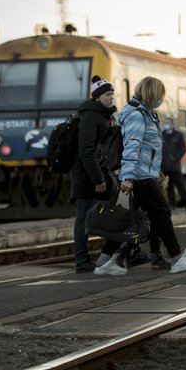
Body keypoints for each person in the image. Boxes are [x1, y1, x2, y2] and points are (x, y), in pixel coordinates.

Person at [95, 76, 186, 275]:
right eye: (159, 94)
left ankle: (103, 262)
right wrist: (127, 176)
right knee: (161, 212)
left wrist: (157, 171)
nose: (161, 98)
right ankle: (177, 257)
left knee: (126, 218)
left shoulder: (145, 113)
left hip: (143, 173)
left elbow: (148, 148)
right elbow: (132, 146)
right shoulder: (137, 115)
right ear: (151, 93)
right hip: (138, 175)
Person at [71, 75, 119, 273]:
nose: (111, 98)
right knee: (83, 217)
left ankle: (111, 253)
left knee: (113, 211)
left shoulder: (103, 116)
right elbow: (86, 150)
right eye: (108, 94)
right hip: (87, 175)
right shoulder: (89, 117)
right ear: (98, 96)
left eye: (112, 94)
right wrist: (97, 178)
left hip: (100, 173)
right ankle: (82, 260)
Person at [162, 117, 186, 211]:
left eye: (168, 123)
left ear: (172, 125)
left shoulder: (178, 135)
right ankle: (172, 205)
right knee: (169, 187)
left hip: (174, 166)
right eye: (165, 123)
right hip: (165, 166)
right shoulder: (163, 135)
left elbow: (183, 149)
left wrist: (175, 158)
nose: (166, 125)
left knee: (181, 186)